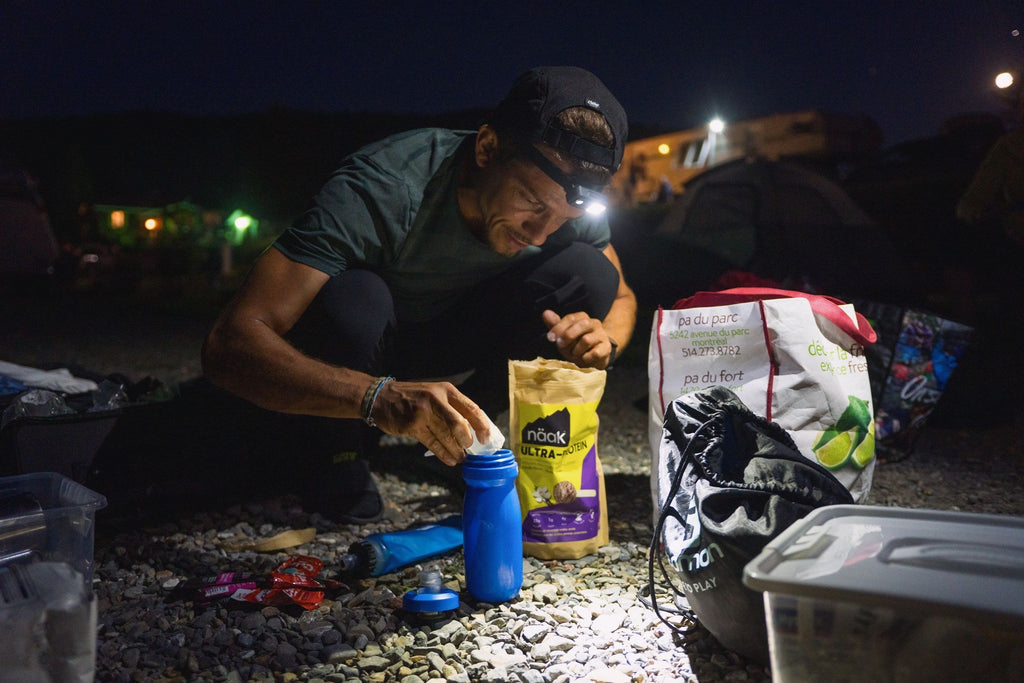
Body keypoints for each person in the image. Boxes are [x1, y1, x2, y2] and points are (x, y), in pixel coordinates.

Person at [201, 66, 637, 522]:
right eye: (532, 202)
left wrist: (604, 340)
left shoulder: (564, 202)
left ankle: (460, 436)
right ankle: (334, 453)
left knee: (591, 273)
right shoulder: (385, 186)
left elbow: (623, 298)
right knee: (357, 296)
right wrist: (375, 398)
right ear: (488, 148)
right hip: (364, 345)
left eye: (566, 216)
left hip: (450, 335)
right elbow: (229, 343)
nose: (542, 234)